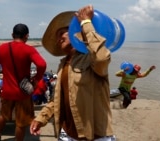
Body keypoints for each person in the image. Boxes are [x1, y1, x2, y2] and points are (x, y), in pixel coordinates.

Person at [30, 5, 115, 141]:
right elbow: (58, 98)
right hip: (67, 135)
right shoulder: (63, 65)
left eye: (61, 33)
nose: (58, 40)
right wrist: (41, 118)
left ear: (75, 32)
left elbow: (102, 57)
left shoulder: (90, 60)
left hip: (95, 136)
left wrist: (86, 24)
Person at [0, 23, 47, 141]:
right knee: (20, 123)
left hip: (7, 91)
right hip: (23, 93)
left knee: (3, 116)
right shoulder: (29, 49)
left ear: (12, 35)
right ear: (26, 36)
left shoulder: (1, 48)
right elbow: (42, 64)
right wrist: (36, 80)